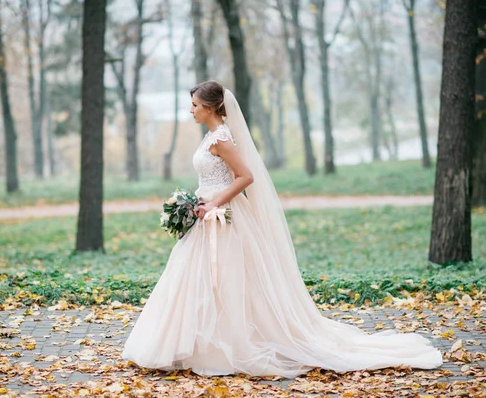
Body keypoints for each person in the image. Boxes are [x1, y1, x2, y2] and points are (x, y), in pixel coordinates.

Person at [120, 80, 443, 378]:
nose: (190, 110)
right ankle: (199, 344)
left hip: (222, 215)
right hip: (207, 213)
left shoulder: (222, 138)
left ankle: (226, 346)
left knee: (229, 278)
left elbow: (245, 177)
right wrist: (198, 204)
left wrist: (215, 203)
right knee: (200, 278)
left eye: (194, 104)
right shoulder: (210, 136)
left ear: (211, 107)